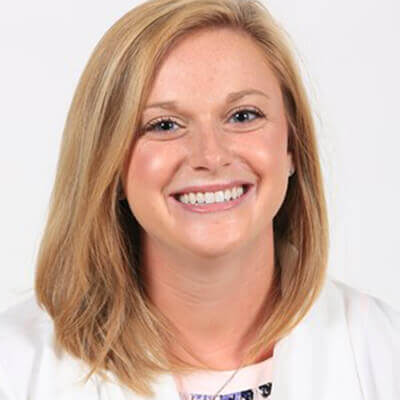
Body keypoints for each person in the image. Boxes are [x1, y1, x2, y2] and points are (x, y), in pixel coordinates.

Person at [0, 0, 399, 399]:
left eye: (243, 116)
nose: (210, 155)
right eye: (164, 124)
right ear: (110, 162)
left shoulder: (385, 350)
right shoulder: (14, 366)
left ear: (291, 145)